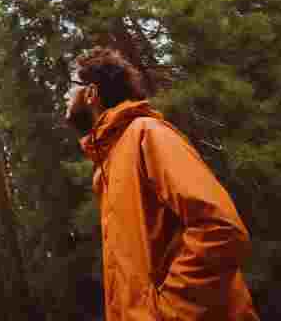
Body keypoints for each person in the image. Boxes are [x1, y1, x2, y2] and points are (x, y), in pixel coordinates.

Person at [64, 47, 259, 321]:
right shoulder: (107, 168)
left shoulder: (147, 134)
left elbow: (219, 228)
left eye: (69, 86)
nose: (63, 94)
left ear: (91, 93)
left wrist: (169, 313)